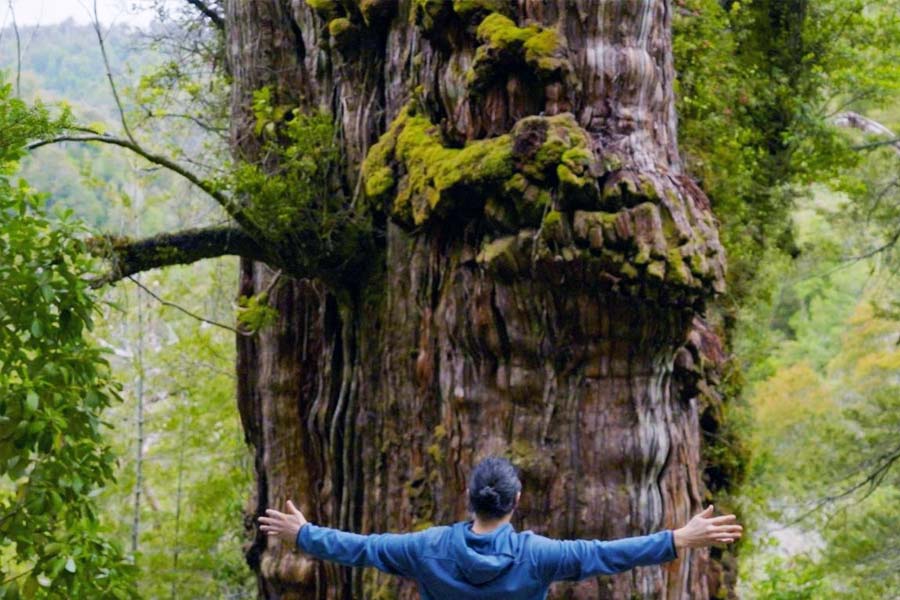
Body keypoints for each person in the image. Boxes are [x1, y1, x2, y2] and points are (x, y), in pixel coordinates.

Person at [258, 456, 742, 599]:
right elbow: (608, 553)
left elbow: (361, 549)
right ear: (517, 501)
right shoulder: (539, 556)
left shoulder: (428, 548)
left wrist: (302, 535)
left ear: (468, 498)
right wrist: (680, 538)